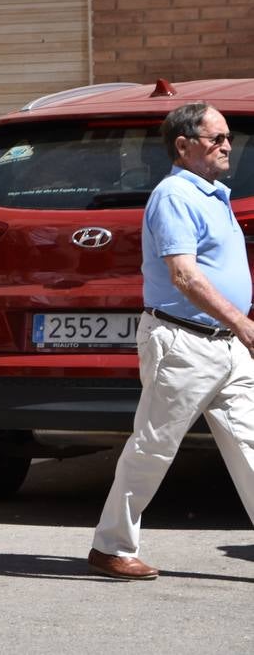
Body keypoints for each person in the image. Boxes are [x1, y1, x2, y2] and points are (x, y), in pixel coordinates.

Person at [87, 102, 254, 581]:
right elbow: (183, 275)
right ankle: (111, 545)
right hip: (184, 343)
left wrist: (237, 327)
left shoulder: (215, 194)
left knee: (250, 444)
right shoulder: (174, 194)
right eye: (216, 138)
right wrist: (242, 324)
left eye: (228, 138)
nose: (227, 145)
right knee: (154, 446)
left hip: (225, 345)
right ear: (183, 146)